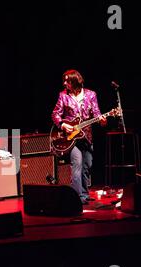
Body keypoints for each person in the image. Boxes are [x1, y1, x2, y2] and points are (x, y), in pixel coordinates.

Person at [51, 69, 107, 204]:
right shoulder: (63, 96)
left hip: (86, 136)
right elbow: (55, 114)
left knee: (87, 166)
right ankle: (76, 198)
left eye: (67, 81)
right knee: (77, 164)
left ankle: (84, 195)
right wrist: (63, 125)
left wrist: (102, 120)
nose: (64, 83)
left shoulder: (91, 95)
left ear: (75, 81)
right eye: (64, 80)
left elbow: (97, 113)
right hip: (71, 138)